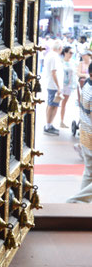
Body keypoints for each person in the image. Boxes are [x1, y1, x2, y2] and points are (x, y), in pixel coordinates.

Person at [67, 62, 92, 203]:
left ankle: (79, 204)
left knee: (89, 174)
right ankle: (75, 200)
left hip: (86, 136)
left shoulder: (87, 86)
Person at [44, 39, 63, 135]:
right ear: (60, 48)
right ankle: (48, 125)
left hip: (51, 84)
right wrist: (59, 87)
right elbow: (54, 72)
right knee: (53, 106)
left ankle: (48, 124)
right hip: (53, 85)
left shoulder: (49, 55)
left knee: (50, 105)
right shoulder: (54, 57)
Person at [60, 46, 76, 128]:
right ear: (65, 53)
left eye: (72, 53)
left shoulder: (73, 62)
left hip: (68, 86)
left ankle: (61, 121)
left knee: (64, 104)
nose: (71, 55)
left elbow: (74, 75)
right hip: (60, 85)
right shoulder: (60, 62)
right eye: (70, 52)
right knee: (55, 104)